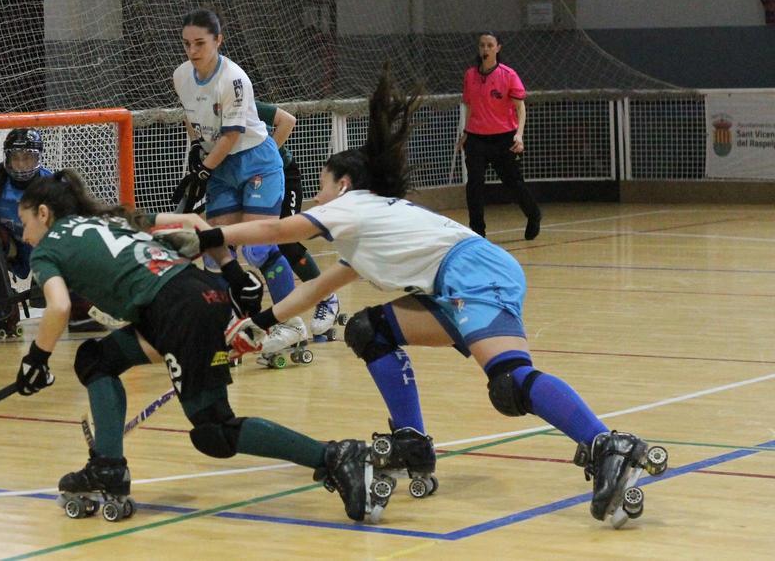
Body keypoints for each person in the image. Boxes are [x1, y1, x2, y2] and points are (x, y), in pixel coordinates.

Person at [165, 66, 667, 526]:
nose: (316, 197)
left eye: (321, 187)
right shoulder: (365, 231)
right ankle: (412, 442)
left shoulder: (353, 206)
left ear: (344, 185)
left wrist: (209, 237)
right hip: (453, 282)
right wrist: (258, 326)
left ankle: (608, 444)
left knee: (510, 382)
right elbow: (315, 290)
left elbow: (278, 229)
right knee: (371, 331)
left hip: (471, 273)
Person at [10, 170, 383, 523]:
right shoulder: (110, 219)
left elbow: (58, 307)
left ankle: (335, 456)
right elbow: (194, 222)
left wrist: (36, 360)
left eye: (25, 223)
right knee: (96, 359)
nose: (25, 236)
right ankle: (106, 466)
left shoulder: (47, 249)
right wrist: (233, 272)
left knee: (214, 430)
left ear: (44, 214)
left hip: (177, 313)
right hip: (198, 296)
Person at [170, 8, 307, 351]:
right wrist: (196, 149)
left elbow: (231, 136)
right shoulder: (181, 75)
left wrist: (204, 170)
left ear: (218, 40)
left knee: (259, 248)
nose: (192, 51)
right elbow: (192, 118)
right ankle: (225, 326)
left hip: (255, 161)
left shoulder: (233, 79)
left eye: (200, 43)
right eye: (186, 44)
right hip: (220, 165)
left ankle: (291, 323)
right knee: (215, 249)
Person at [0, 128, 96, 337]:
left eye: (28, 158)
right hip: (11, 247)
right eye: (16, 158)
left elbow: (74, 233)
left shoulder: (54, 188)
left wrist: (50, 268)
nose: (22, 165)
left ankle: (79, 308)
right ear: (7, 158)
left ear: (39, 158)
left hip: (45, 247)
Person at [256, 100, 342, 342]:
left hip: (281, 173)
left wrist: (266, 161)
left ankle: (326, 297)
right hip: (251, 182)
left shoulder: (244, 101)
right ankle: (282, 321)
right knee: (256, 247)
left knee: (286, 240)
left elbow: (288, 121)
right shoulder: (203, 110)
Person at [458, 32, 542, 240]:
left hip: (503, 138)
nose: (485, 49)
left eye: (490, 45)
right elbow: (469, 106)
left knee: (513, 182)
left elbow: (520, 108)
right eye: (482, 45)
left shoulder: (508, 75)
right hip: (476, 138)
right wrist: (466, 132)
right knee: (474, 184)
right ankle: (477, 231)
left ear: (498, 48)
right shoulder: (470, 75)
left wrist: (519, 135)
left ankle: (533, 214)